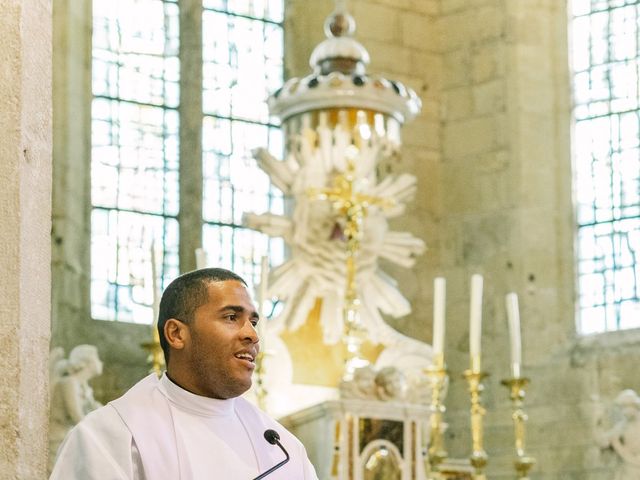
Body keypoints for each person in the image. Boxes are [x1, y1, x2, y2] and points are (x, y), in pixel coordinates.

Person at [50, 268, 319, 479]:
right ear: (177, 334)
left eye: (253, 321)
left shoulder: (281, 446)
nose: (252, 334)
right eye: (230, 317)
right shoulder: (111, 437)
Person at [49, 345, 103, 472]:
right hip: (57, 439)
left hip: (69, 439)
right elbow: (77, 416)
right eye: (97, 358)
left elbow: (99, 413)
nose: (101, 362)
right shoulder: (69, 383)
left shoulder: (85, 387)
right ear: (85, 362)